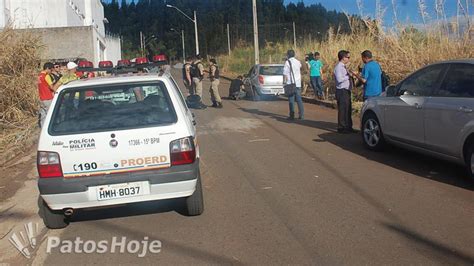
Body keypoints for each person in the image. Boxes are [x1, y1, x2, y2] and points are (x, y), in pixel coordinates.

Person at [334, 50, 355, 133]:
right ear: (343, 58)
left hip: (346, 90)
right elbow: (339, 79)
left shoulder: (344, 66)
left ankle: (349, 126)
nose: (349, 59)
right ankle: (341, 127)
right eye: (348, 57)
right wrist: (348, 76)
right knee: (343, 110)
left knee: (348, 109)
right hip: (342, 90)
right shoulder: (339, 67)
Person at [283, 49, 304, 120]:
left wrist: (284, 82)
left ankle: (292, 115)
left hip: (290, 84)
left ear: (288, 55)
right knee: (299, 100)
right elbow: (301, 67)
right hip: (298, 83)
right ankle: (301, 115)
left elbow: (285, 74)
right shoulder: (298, 62)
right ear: (294, 55)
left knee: (291, 100)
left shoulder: (287, 62)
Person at [37, 62, 55, 127]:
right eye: (51, 70)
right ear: (47, 68)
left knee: (43, 116)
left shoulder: (39, 76)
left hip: (41, 98)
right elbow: (52, 87)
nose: (51, 72)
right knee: (50, 115)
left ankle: (43, 128)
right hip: (48, 98)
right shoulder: (46, 76)